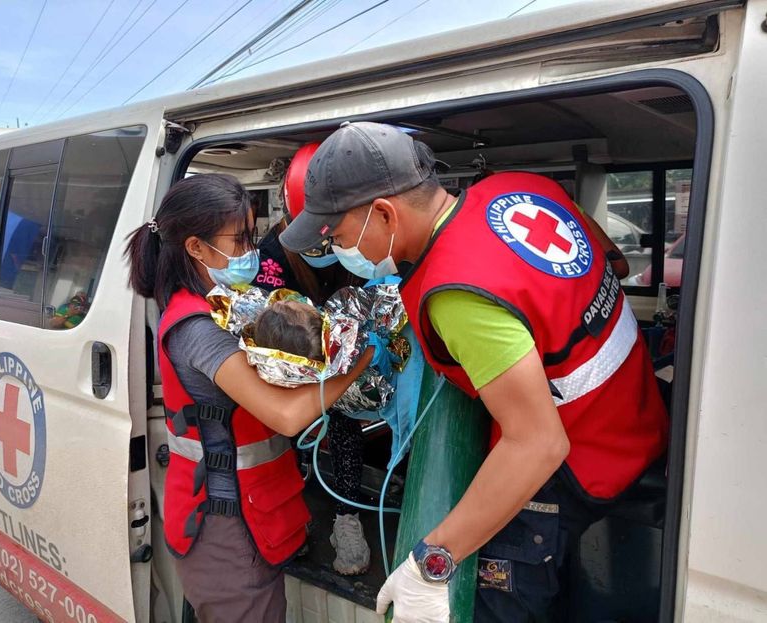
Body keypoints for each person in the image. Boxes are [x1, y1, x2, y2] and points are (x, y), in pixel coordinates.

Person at [280, 122, 669, 622]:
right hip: (641, 418)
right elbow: (611, 265)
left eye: (336, 231)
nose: (334, 245)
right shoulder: (520, 188)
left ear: (383, 213)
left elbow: (538, 444)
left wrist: (431, 563)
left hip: (581, 463)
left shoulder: (456, 291)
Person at [125, 173, 374, 623]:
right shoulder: (196, 327)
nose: (250, 253)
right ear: (196, 248)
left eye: (252, 237)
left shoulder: (227, 303)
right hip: (224, 525)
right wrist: (360, 361)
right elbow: (285, 415)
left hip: (255, 512)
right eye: (238, 240)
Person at [251, 143, 373, 576]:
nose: (329, 241)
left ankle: (346, 518)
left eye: (334, 231)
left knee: (344, 428)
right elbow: (271, 323)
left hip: (347, 359)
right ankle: (292, 521)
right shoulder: (273, 254)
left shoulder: (361, 241)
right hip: (293, 358)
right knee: (290, 439)